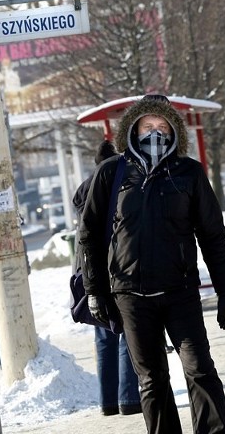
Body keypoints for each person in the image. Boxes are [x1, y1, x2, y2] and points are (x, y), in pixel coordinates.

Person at [79, 95, 225, 434]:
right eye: (147, 126)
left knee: (200, 369)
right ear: (133, 129)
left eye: (162, 126)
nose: (155, 132)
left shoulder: (189, 173)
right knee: (151, 378)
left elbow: (212, 235)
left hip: (179, 290)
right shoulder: (112, 172)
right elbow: (88, 234)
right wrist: (95, 292)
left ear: (174, 130)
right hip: (130, 294)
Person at [73, 139, 142, 417]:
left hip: (89, 268)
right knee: (126, 330)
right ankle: (128, 399)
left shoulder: (83, 189)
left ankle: (108, 402)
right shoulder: (116, 183)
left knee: (103, 337)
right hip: (116, 265)